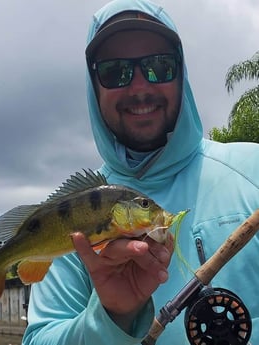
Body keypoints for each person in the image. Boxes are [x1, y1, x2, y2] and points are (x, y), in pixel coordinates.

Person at [22, 0, 259, 344]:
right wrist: (109, 318)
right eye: (115, 71)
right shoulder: (71, 219)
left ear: (182, 73)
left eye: (158, 66)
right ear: (94, 87)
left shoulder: (254, 171)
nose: (139, 87)